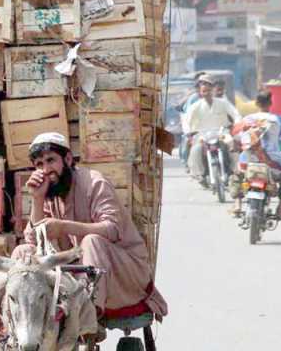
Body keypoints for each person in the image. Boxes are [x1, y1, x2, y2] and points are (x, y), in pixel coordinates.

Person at [10, 132, 168, 321]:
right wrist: (37, 199)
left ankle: (88, 316)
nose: (46, 170)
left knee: (91, 242)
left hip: (123, 274)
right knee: (23, 251)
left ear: (68, 159)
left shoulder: (94, 182)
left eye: (51, 161)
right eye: (39, 165)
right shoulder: (50, 190)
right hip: (75, 272)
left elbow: (112, 229)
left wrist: (65, 227)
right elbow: (34, 240)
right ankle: (19, 318)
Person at [229, 90, 281, 220]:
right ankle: (280, 208)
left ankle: (237, 203)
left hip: (248, 161)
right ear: (271, 103)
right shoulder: (278, 120)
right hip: (273, 164)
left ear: (256, 103)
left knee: (236, 175)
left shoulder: (247, 119)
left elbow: (236, 137)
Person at [186, 74, 242, 187]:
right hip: (203, 135)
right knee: (195, 150)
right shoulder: (196, 106)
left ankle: (236, 171)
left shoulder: (223, 103)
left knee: (232, 144)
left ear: (212, 89)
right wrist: (189, 131)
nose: (206, 91)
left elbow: (235, 114)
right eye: (203, 89)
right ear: (200, 92)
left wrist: (237, 124)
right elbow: (187, 121)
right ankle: (199, 175)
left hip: (221, 132)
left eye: (208, 88)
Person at [179, 72, 207, 172]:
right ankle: (187, 162)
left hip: (212, 126)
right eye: (202, 83)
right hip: (196, 126)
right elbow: (188, 115)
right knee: (188, 140)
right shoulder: (193, 98)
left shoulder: (217, 96)